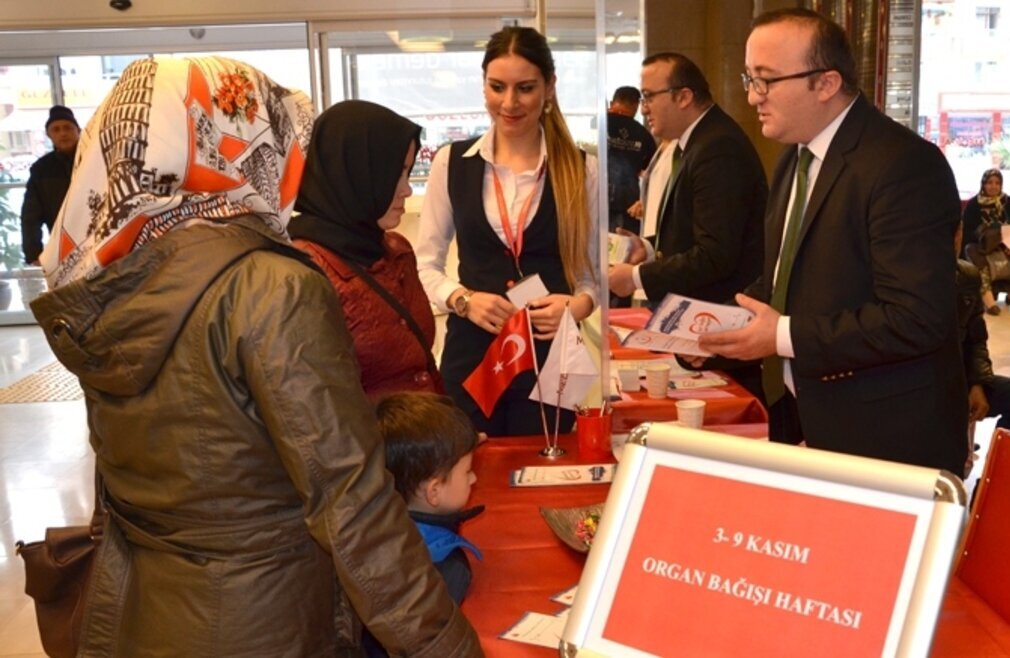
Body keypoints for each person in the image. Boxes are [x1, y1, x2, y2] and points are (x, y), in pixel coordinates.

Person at [30, 56, 480, 656]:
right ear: (234, 147)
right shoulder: (270, 286)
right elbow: (351, 503)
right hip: (266, 616)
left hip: (149, 611)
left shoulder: (109, 282)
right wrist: (446, 646)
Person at [699, 8, 967, 474]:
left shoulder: (902, 165)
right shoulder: (792, 160)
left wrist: (781, 335)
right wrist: (718, 328)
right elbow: (789, 275)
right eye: (749, 78)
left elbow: (918, 318)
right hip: (803, 414)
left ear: (825, 84)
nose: (750, 97)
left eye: (765, 80)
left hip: (883, 438)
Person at [416, 26, 600, 436]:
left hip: (550, 357)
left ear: (550, 87)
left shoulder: (581, 169)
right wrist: (462, 300)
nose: (509, 103)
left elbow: (593, 275)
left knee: (548, 473)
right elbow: (423, 265)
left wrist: (578, 305)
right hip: (474, 357)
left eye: (525, 88)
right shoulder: (452, 163)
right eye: (497, 87)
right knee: (468, 473)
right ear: (483, 86)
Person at [607, 52, 767, 399]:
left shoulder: (717, 147)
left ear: (683, 96)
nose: (643, 106)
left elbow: (716, 253)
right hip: (702, 329)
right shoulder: (694, 143)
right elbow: (694, 229)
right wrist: (646, 247)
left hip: (720, 327)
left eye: (649, 96)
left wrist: (635, 277)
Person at [289, 100, 442, 399]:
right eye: (395, 174)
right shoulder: (304, 271)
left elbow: (423, 366)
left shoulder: (396, 250)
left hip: (428, 434)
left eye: (409, 172)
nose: (407, 189)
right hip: (369, 444)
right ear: (356, 174)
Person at [377, 391, 482, 604]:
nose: (474, 479)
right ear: (434, 491)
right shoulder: (446, 569)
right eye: (467, 471)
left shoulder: (380, 528)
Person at [955, 223, 1010, 454]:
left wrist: (978, 382)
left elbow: (976, 341)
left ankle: (994, 480)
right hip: (921, 384)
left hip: (961, 376)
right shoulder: (901, 278)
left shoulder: (965, 276)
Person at [19, 104, 80, 265]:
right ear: (49, 135)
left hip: (102, 241)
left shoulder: (96, 160)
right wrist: (33, 253)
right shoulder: (41, 169)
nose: (63, 133)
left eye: (68, 128)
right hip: (64, 246)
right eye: (56, 129)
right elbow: (31, 215)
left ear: (78, 131)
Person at [960, 168, 1010, 315]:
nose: (993, 186)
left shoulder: (1008, 203)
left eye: (997, 183)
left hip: (1007, 246)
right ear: (983, 184)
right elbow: (968, 233)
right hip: (981, 247)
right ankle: (989, 300)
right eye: (989, 182)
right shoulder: (973, 205)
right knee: (974, 255)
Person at [606, 85, 656, 237]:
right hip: (628, 202)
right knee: (623, 249)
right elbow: (649, 171)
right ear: (636, 105)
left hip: (596, 197)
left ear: (612, 102)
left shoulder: (598, 124)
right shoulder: (644, 134)